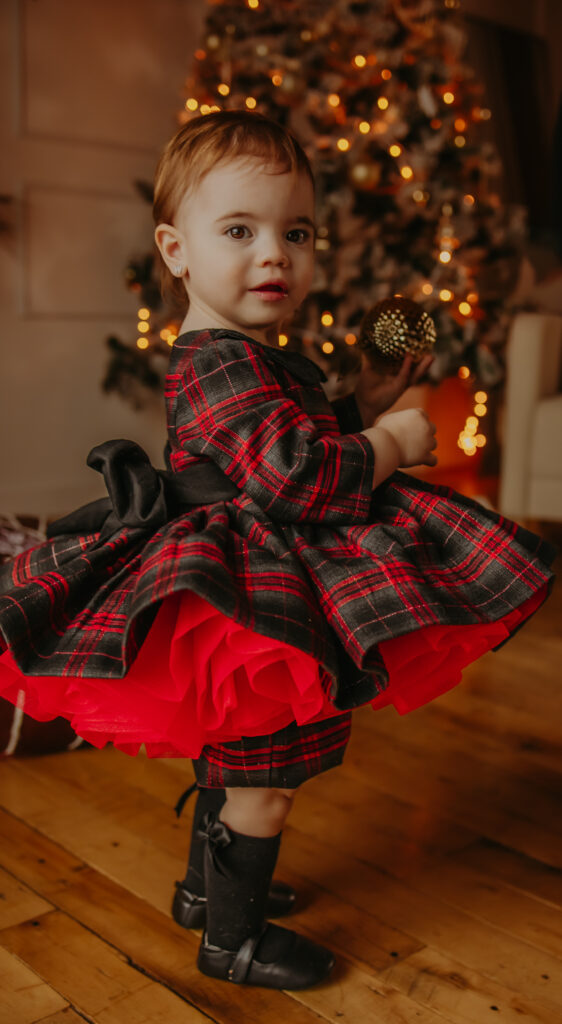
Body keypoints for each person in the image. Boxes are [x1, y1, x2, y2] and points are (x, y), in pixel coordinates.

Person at [0, 111, 555, 990]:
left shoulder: (250, 352)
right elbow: (297, 477)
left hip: (247, 574)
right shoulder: (220, 362)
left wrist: (364, 398)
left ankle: (206, 892)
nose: (275, 254)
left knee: (235, 754)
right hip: (247, 603)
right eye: (239, 230)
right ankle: (232, 943)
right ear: (175, 250)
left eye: (295, 232)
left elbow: (285, 439)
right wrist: (394, 443)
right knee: (268, 769)